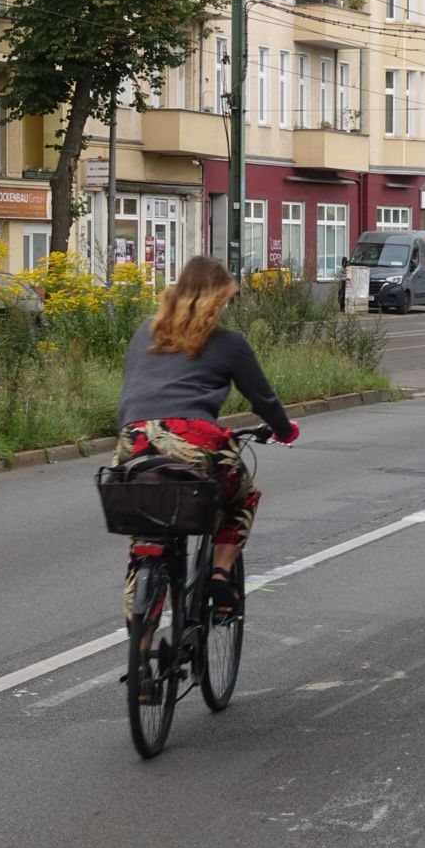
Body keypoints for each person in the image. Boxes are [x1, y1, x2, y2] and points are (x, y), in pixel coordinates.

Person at [115, 255, 299, 618]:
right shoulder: (229, 342)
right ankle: (219, 572)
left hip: (133, 441)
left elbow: (129, 392)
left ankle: (140, 653)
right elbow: (263, 399)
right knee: (242, 499)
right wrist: (285, 430)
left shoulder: (144, 331)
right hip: (194, 442)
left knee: (145, 535)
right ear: (219, 298)